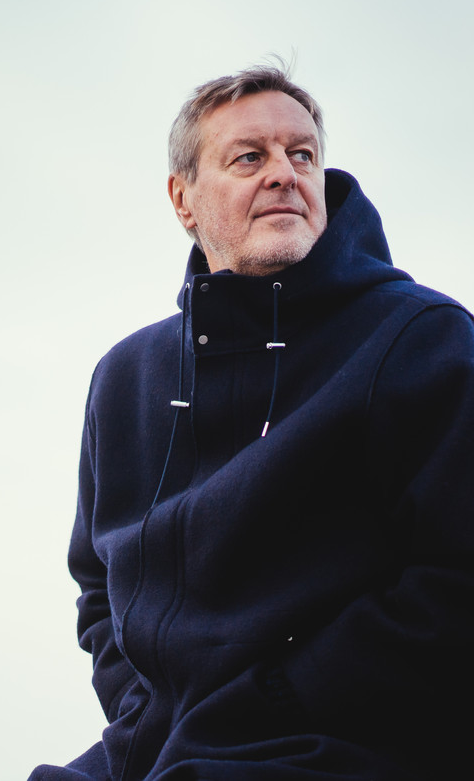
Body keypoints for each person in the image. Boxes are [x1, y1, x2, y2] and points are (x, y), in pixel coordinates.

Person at [29, 64, 474, 780]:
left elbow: (456, 581)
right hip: (152, 746)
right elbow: (96, 585)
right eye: (249, 157)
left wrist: (283, 697)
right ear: (183, 199)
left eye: (302, 155)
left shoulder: (420, 339)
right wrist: (139, 705)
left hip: (343, 745)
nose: (284, 174)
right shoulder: (125, 377)